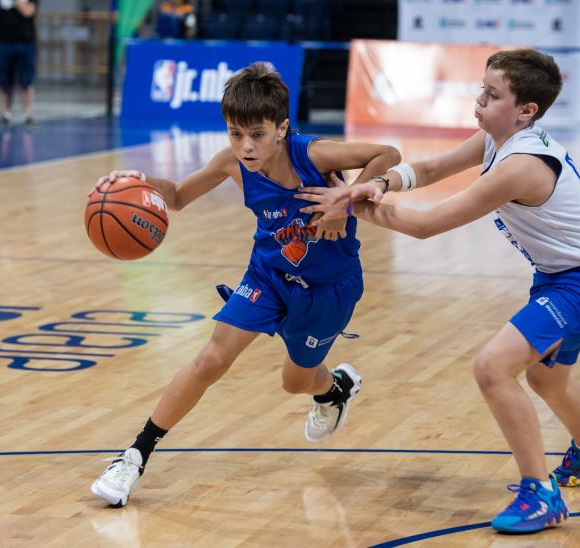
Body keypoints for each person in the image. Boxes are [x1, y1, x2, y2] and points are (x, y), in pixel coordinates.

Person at [295, 49, 580, 534]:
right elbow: (427, 171)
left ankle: (541, 494)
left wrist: (351, 203)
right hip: (564, 277)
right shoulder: (496, 139)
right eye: (481, 89)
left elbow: (428, 224)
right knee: (546, 381)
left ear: (526, 110)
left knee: (493, 367)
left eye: (492, 95)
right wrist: (382, 182)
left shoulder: (521, 165)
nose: (479, 100)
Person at [90, 62, 401, 508]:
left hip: (328, 287)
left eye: (257, 133)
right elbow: (175, 197)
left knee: (294, 382)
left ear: (282, 128)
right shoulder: (232, 164)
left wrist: (348, 199)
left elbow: (388, 153)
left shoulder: (313, 155)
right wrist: (131, 182)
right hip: (267, 276)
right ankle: (135, 455)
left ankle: (335, 390)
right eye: (236, 134)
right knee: (210, 359)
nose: (246, 145)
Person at [0, 0, 37, 126]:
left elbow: (28, 12)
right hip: (3, 42)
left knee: (26, 81)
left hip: (25, 42)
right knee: (5, 81)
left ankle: (28, 114)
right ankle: (5, 113)